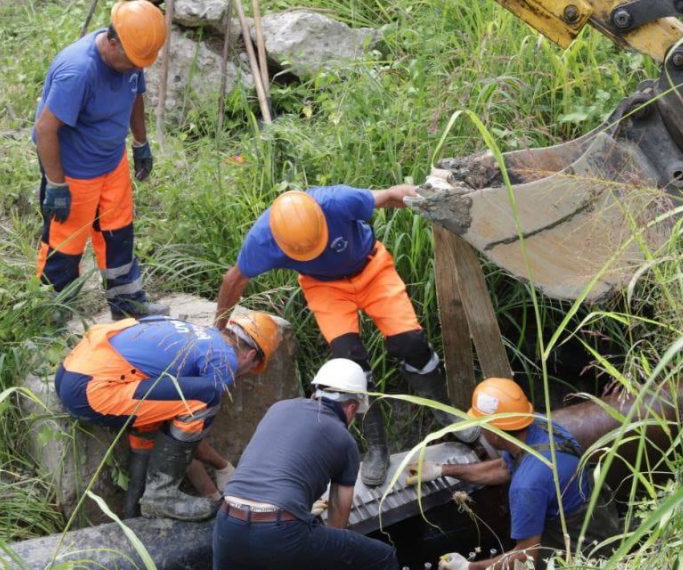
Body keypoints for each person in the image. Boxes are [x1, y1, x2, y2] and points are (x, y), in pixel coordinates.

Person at [214, 185, 476, 486]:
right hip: (324, 287)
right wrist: (217, 331)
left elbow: (392, 195)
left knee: (410, 343)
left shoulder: (337, 201)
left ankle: (445, 412)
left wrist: (433, 199)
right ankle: (377, 447)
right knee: (350, 364)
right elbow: (233, 280)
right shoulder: (262, 240)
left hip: (372, 269)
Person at [55, 312, 281, 521]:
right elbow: (187, 433)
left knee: (161, 419)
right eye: (252, 368)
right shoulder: (224, 361)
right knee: (207, 395)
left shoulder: (193, 333)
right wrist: (222, 467)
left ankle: (135, 510)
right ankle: (161, 496)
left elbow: (177, 439)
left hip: (71, 372)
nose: (243, 375)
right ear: (250, 355)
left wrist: (215, 486)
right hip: (92, 392)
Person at [34, 0, 169, 318]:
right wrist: (56, 184)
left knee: (118, 235)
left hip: (112, 161)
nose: (135, 67)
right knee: (65, 246)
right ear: (111, 41)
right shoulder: (78, 71)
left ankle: (127, 302)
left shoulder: (132, 53)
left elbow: (135, 96)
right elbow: (45, 129)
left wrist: (140, 143)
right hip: (74, 171)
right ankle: (52, 313)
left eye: (139, 63)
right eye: (131, 61)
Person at [409, 378, 620, 569]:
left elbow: (525, 558)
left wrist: (469, 567)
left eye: (481, 426)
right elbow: (503, 468)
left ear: (495, 433)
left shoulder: (526, 486)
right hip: (602, 521)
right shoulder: (542, 424)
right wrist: (442, 470)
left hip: (582, 553)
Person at [213, 358, 399, 570]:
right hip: (279, 531)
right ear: (351, 408)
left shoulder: (278, 408)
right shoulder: (344, 439)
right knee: (383, 557)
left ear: (315, 393)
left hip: (227, 523)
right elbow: (338, 519)